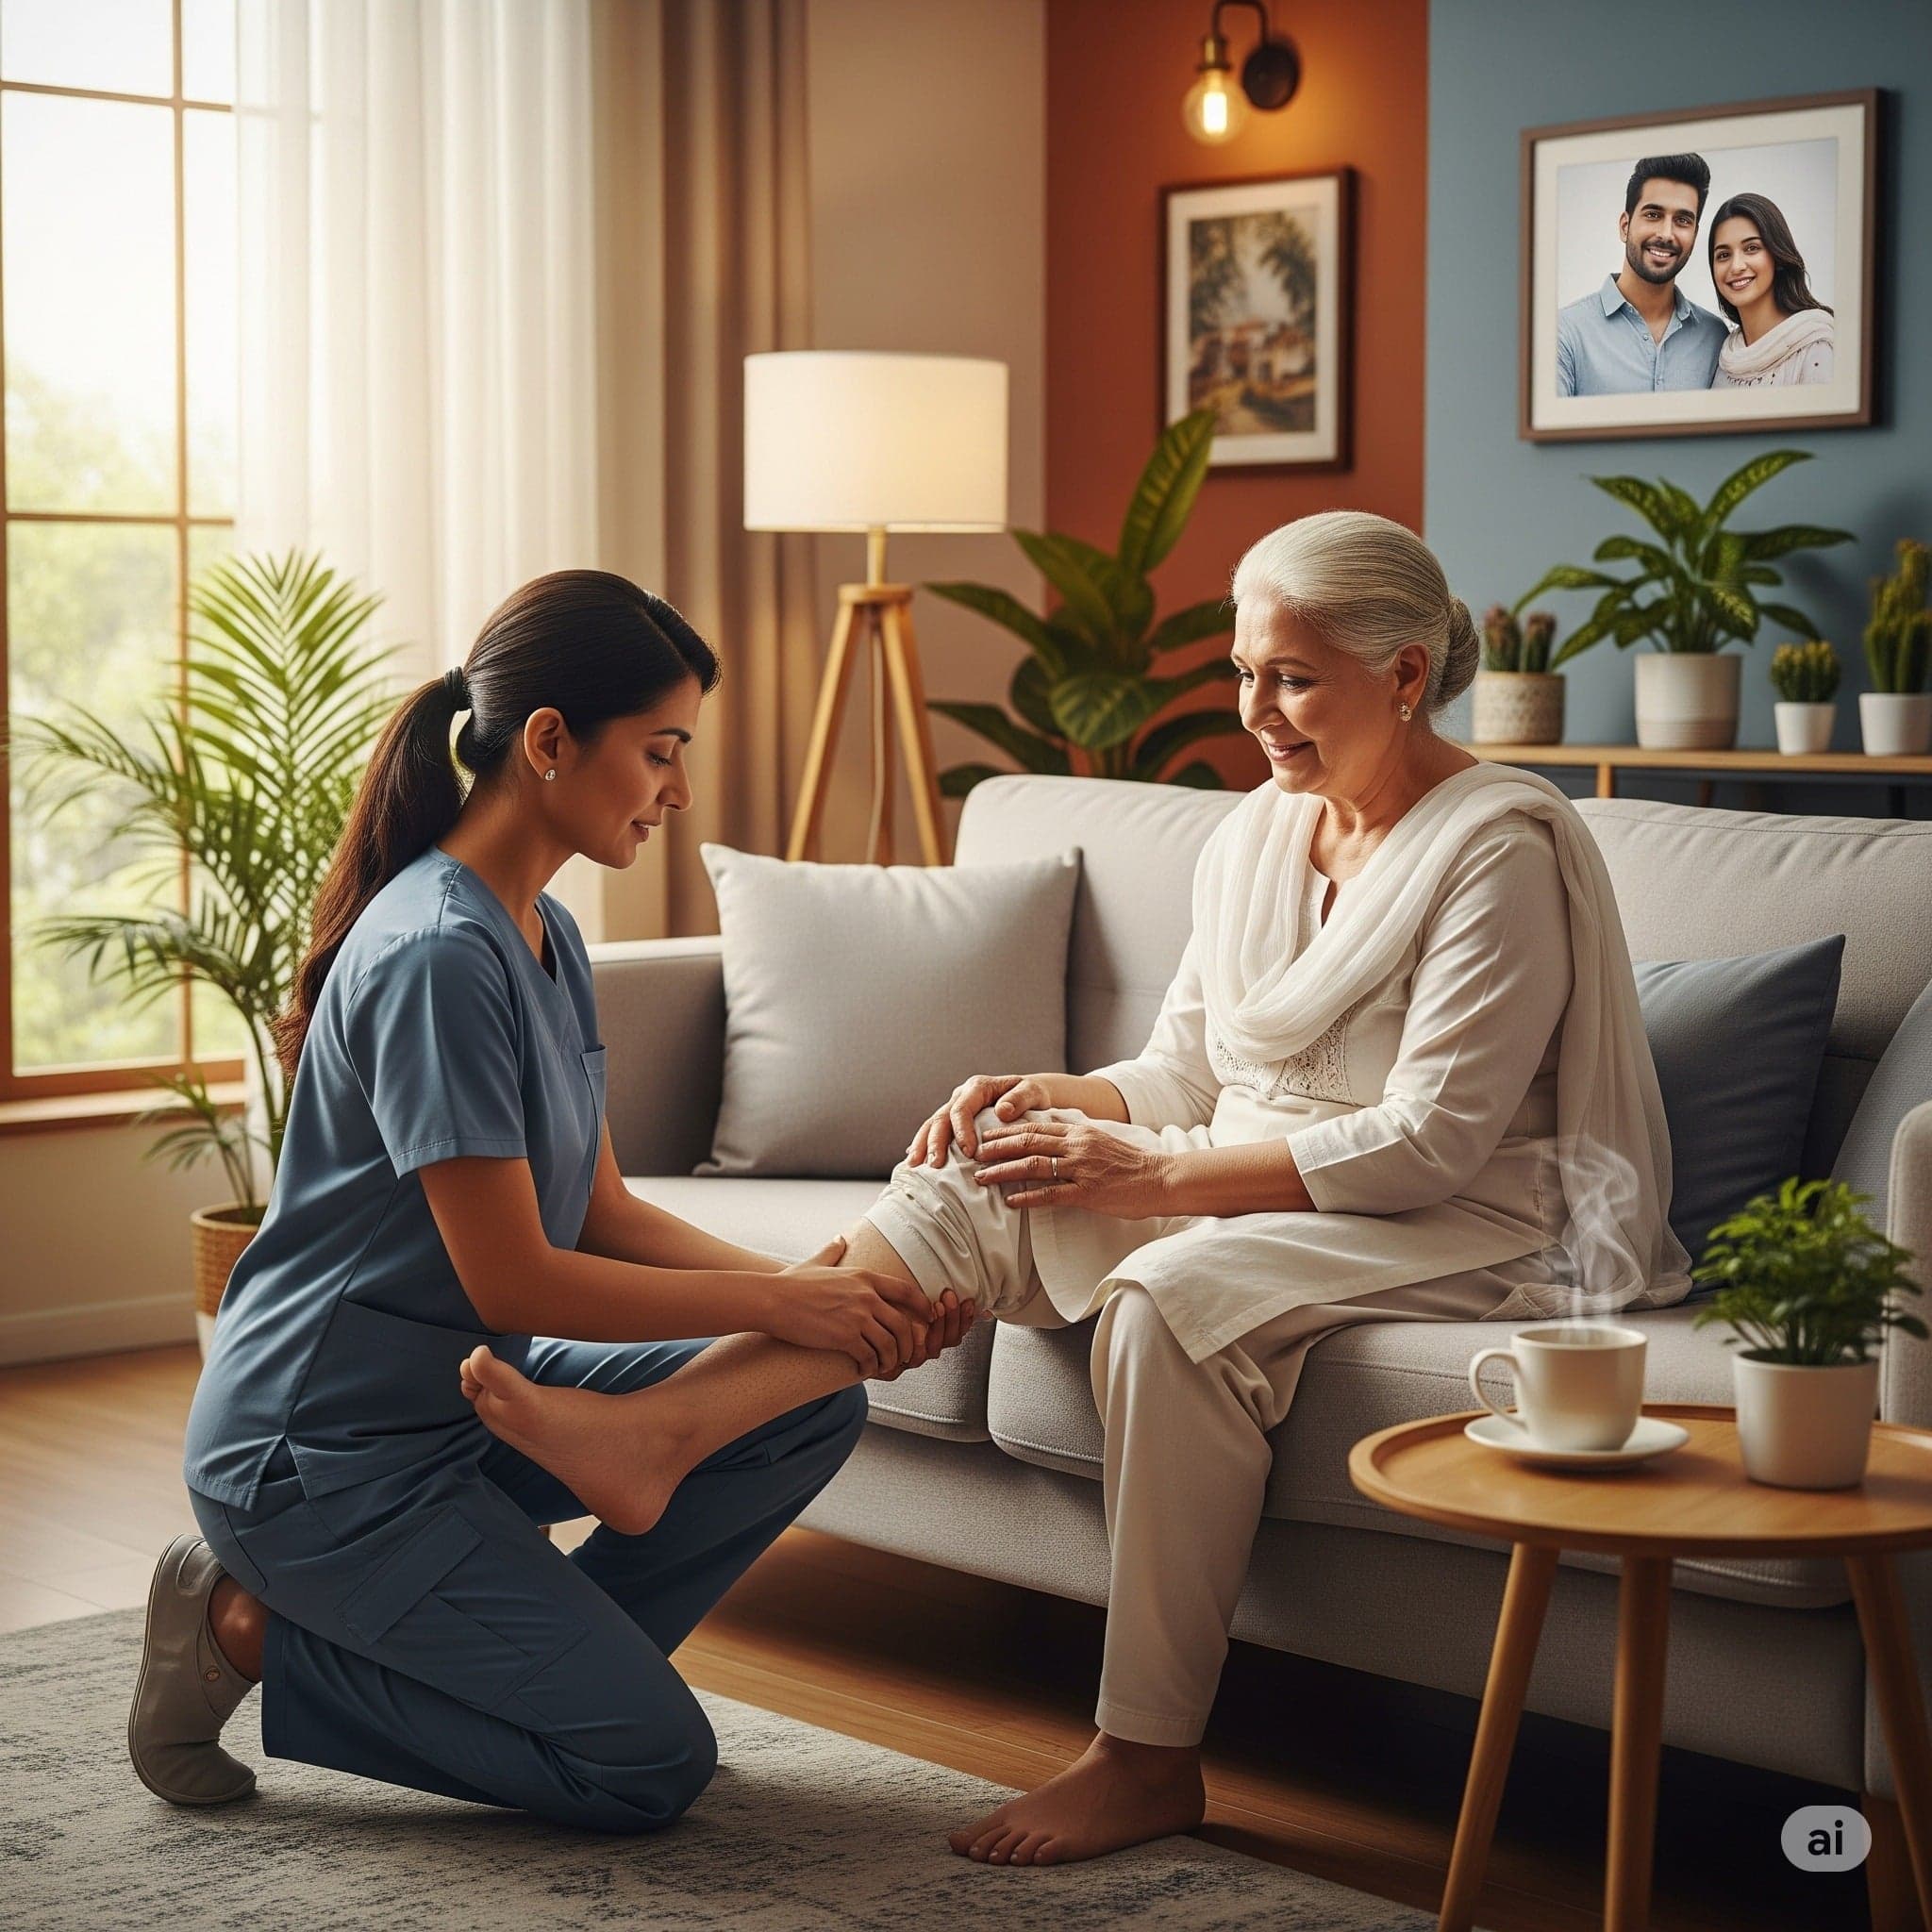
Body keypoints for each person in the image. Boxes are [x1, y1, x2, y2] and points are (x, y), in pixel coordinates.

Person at [458, 511, 1694, 1867]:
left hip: (1461, 1216)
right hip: (1254, 1175)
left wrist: (1157, 1177)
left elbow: (1433, 1141)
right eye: (1244, 672)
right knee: (971, 1176)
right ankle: (662, 1435)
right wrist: (1050, 1099)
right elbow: (1185, 1070)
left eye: (1291, 679)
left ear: (1404, 674)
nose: (1254, 712)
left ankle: (1146, 1757)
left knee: (1172, 1296)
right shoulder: (1256, 837)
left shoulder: (1499, 849)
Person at [129, 570, 976, 1829]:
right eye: (661, 750)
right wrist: (789, 1307)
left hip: (467, 1403)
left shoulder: (543, 930)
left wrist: (820, 1298)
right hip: (320, 1456)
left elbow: (601, 1211)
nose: (677, 790)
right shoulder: (435, 953)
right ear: (547, 741)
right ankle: (243, 1625)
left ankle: (575, 1685)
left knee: (801, 1397)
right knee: (644, 1768)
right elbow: (516, 1276)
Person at [1556, 152, 1728, 396]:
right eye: (1653, 215)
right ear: (1625, 226)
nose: (1666, 234)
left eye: (1682, 220)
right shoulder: (1566, 332)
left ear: (1695, 234)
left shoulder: (1715, 337)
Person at [1707, 192, 1836, 388]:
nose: (1736, 266)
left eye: (1751, 248)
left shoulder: (1817, 346)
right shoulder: (1724, 357)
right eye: (1724, 255)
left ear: (1777, 255)